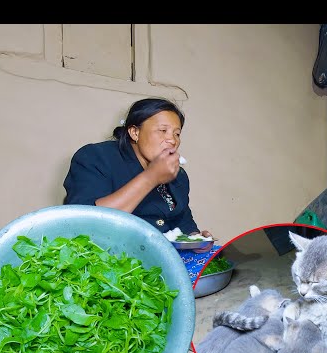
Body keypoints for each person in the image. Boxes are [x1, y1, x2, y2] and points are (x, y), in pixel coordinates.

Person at [63, 97, 214, 253]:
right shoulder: (96, 157)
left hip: (162, 259)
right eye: (163, 131)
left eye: (177, 134)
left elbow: (183, 221)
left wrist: (195, 239)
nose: (172, 140)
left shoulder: (178, 175)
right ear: (135, 132)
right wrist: (151, 176)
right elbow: (87, 222)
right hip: (110, 261)